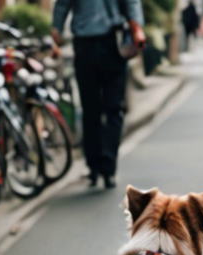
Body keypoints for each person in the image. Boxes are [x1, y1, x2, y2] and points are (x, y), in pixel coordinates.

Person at [51, 0, 146, 189]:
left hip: (94, 43)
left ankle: (97, 166)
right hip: (105, 41)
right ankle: (105, 166)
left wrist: (57, 30)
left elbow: (62, 5)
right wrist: (137, 27)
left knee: (94, 108)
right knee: (109, 108)